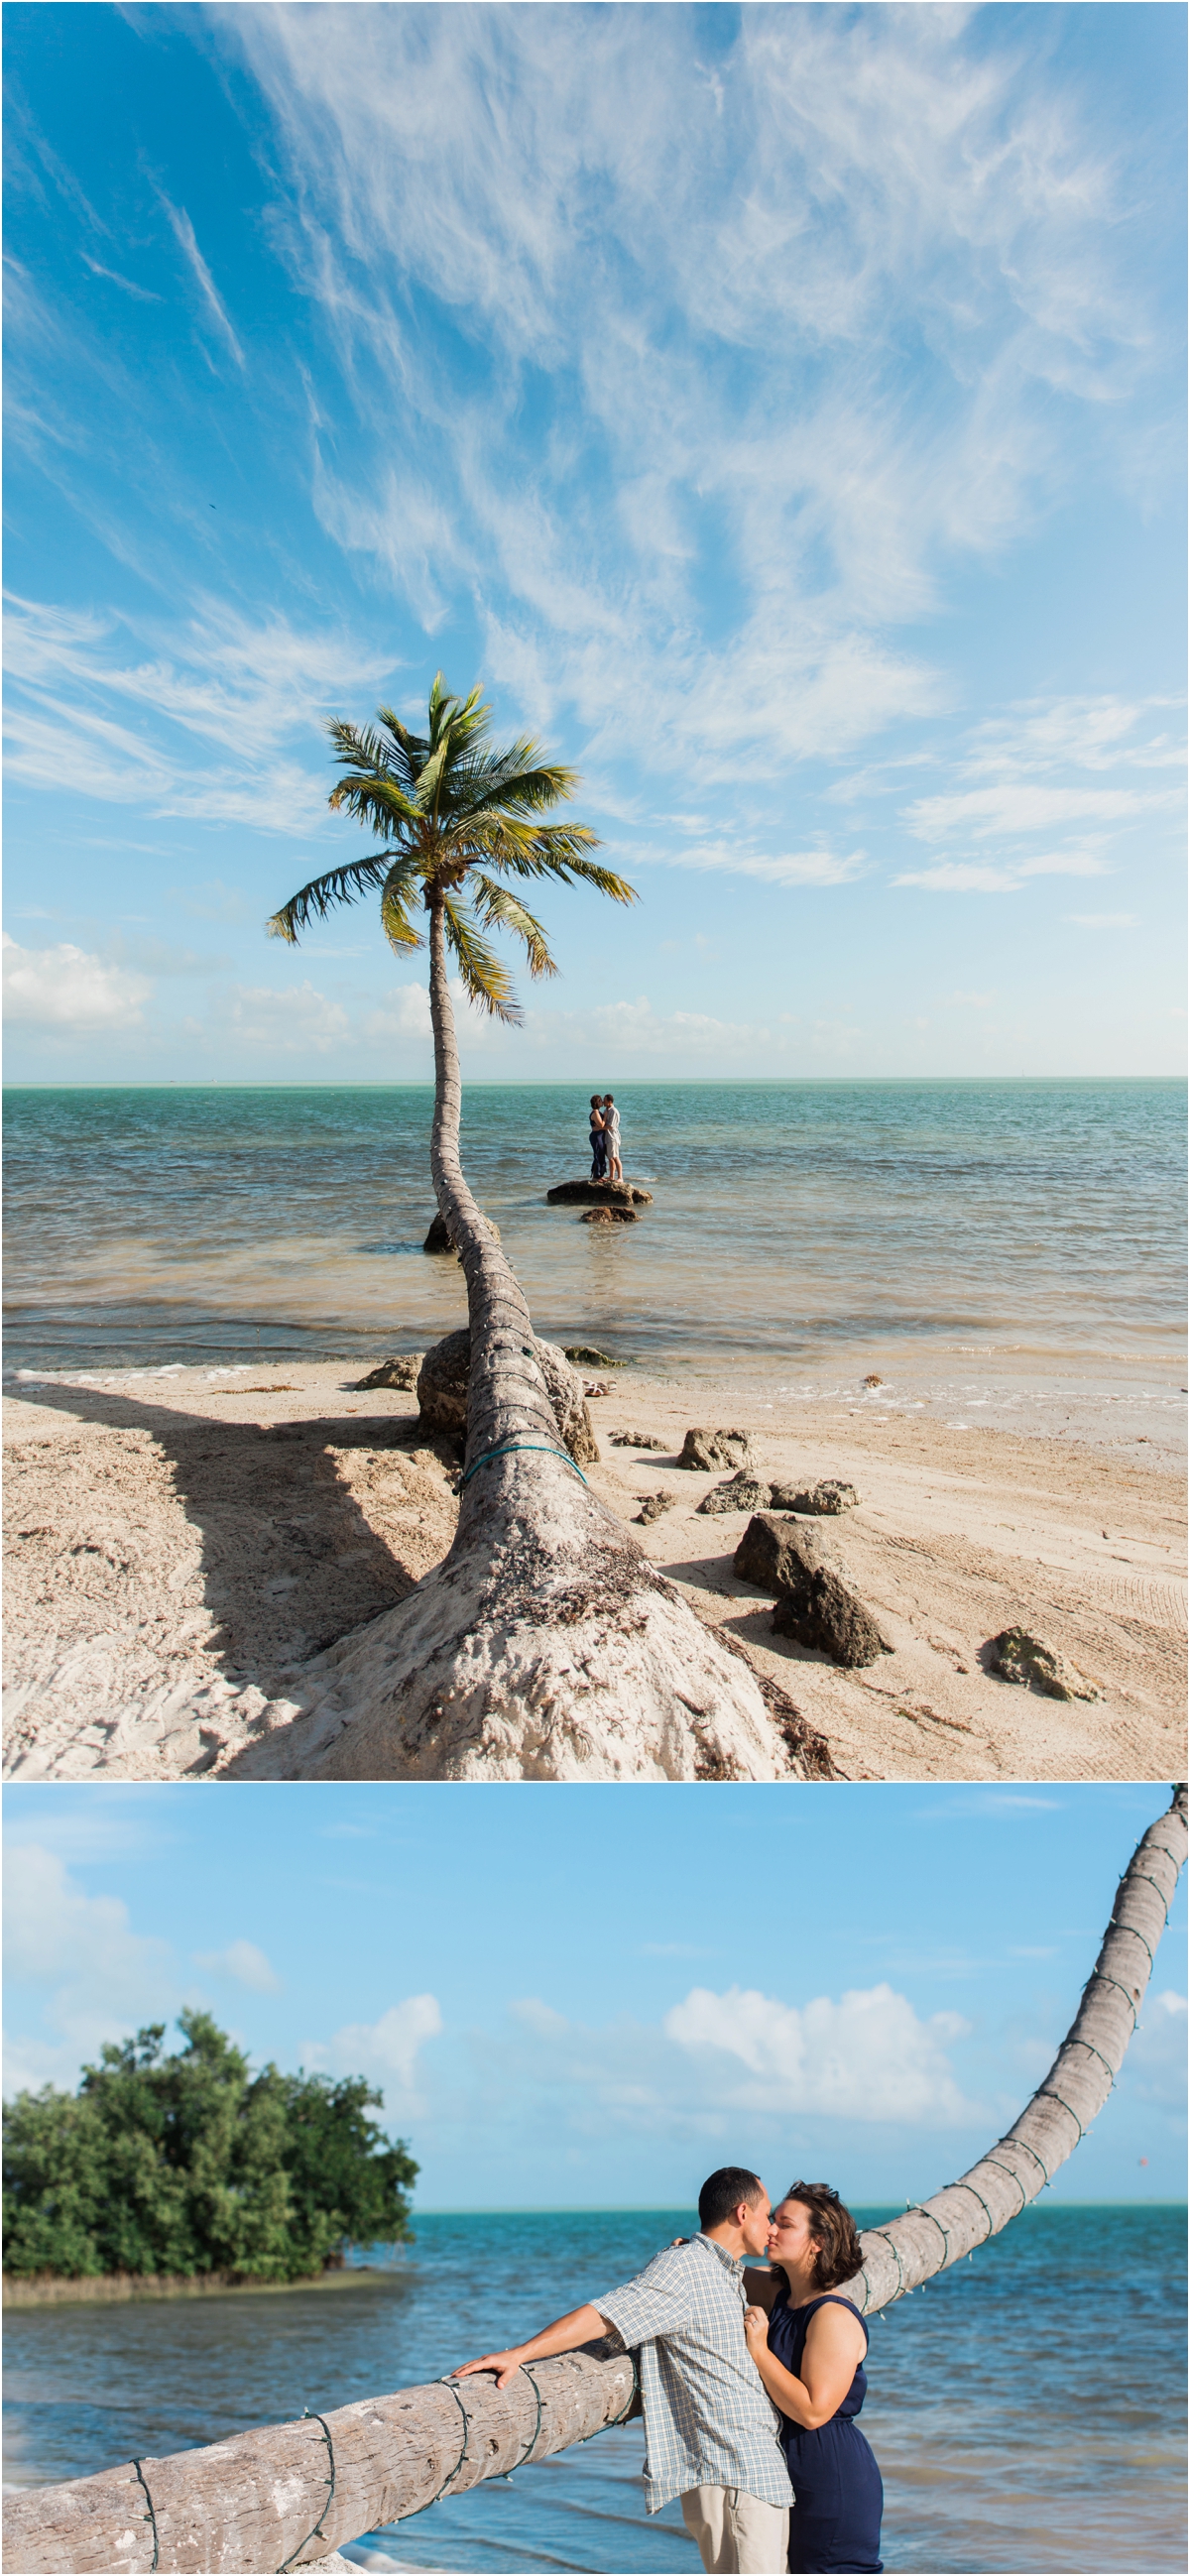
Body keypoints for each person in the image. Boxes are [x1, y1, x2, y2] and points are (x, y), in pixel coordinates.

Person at [451, 2166, 792, 2574]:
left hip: (753, 2469)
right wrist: (523, 2352)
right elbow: (604, 2315)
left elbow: (790, 2284)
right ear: (742, 2213)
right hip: (733, 2473)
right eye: (767, 2215)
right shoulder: (685, 2269)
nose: (771, 2227)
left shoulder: (726, 2273)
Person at [742, 2183, 884, 2574]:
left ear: (817, 2242)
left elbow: (812, 2411)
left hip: (829, 2475)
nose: (770, 2229)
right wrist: (689, 2250)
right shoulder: (782, 2296)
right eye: (772, 2220)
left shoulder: (832, 2316)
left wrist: (759, 2351)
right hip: (787, 2474)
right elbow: (724, 2273)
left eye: (784, 2224)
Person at [603, 1093, 623, 1183]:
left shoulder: (613, 1111)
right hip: (607, 1137)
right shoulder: (606, 1110)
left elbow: (611, 1126)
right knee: (610, 1157)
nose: (603, 1102)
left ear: (609, 1101)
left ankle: (620, 1177)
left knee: (615, 1157)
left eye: (605, 1100)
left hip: (612, 1137)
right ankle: (611, 1176)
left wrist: (600, 1127)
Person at [589, 1094, 608, 1180]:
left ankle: (599, 1175)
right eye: (601, 1100)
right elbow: (601, 1125)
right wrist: (605, 1117)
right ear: (598, 1102)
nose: (603, 1102)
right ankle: (595, 1176)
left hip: (600, 1135)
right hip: (596, 1136)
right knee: (598, 1154)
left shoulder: (597, 1112)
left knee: (601, 1154)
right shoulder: (595, 1113)